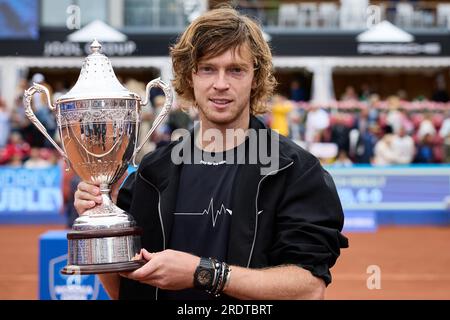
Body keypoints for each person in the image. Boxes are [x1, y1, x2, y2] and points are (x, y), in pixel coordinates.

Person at [74, 7, 348, 300]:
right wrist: (99, 225)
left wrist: (203, 273)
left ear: (255, 77)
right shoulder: (152, 172)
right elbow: (126, 292)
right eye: (207, 68)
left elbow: (308, 289)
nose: (220, 83)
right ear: (189, 76)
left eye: (235, 70)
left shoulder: (294, 171)